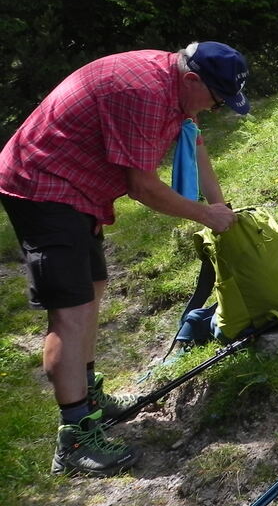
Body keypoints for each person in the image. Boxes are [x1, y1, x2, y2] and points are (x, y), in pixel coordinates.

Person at [0, 41, 250, 476]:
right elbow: (142, 186)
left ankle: (89, 394)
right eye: (214, 99)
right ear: (193, 80)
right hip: (43, 187)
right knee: (70, 313)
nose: (212, 109)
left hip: (79, 190)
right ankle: (75, 439)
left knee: (92, 287)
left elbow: (195, 141)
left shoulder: (175, 85)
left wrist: (221, 208)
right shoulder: (143, 94)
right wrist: (204, 215)